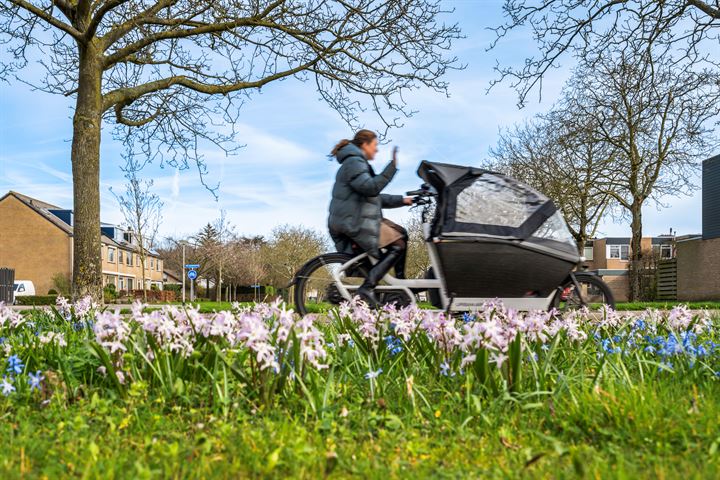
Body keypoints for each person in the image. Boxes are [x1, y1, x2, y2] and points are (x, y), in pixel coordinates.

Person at [328, 129, 413, 307]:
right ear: (365, 145)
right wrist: (392, 167)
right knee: (398, 243)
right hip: (354, 220)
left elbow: (374, 198)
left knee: (400, 235)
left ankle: (398, 288)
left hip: (354, 218)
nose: (376, 150)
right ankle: (370, 287)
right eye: (375, 146)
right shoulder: (354, 162)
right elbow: (371, 188)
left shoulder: (356, 163)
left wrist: (403, 200)